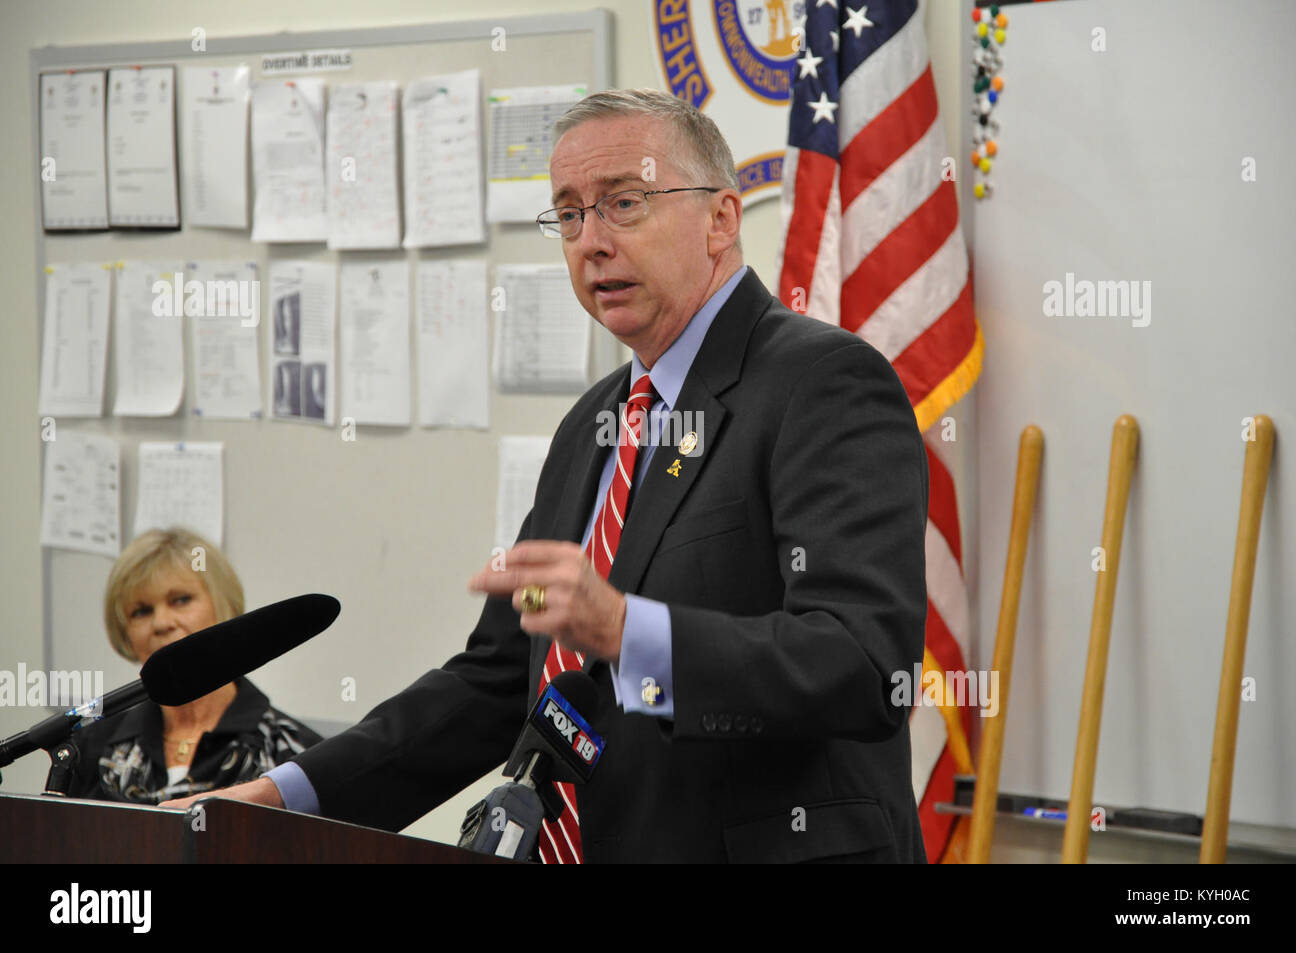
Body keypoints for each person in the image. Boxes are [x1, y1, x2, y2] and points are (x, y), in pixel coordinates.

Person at [165, 89, 930, 863]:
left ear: (722, 219)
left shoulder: (823, 381)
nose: (590, 240)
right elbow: (500, 683)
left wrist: (634, 634)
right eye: (568, 214)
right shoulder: (593, 424)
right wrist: (284, 796)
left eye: (623, 203)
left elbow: (864, 663)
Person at [67, 527, 322, 804]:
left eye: (180, 600)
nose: (162, 623)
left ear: (222, 605)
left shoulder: (291, 750)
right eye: (142, 611)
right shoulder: (91, 746)